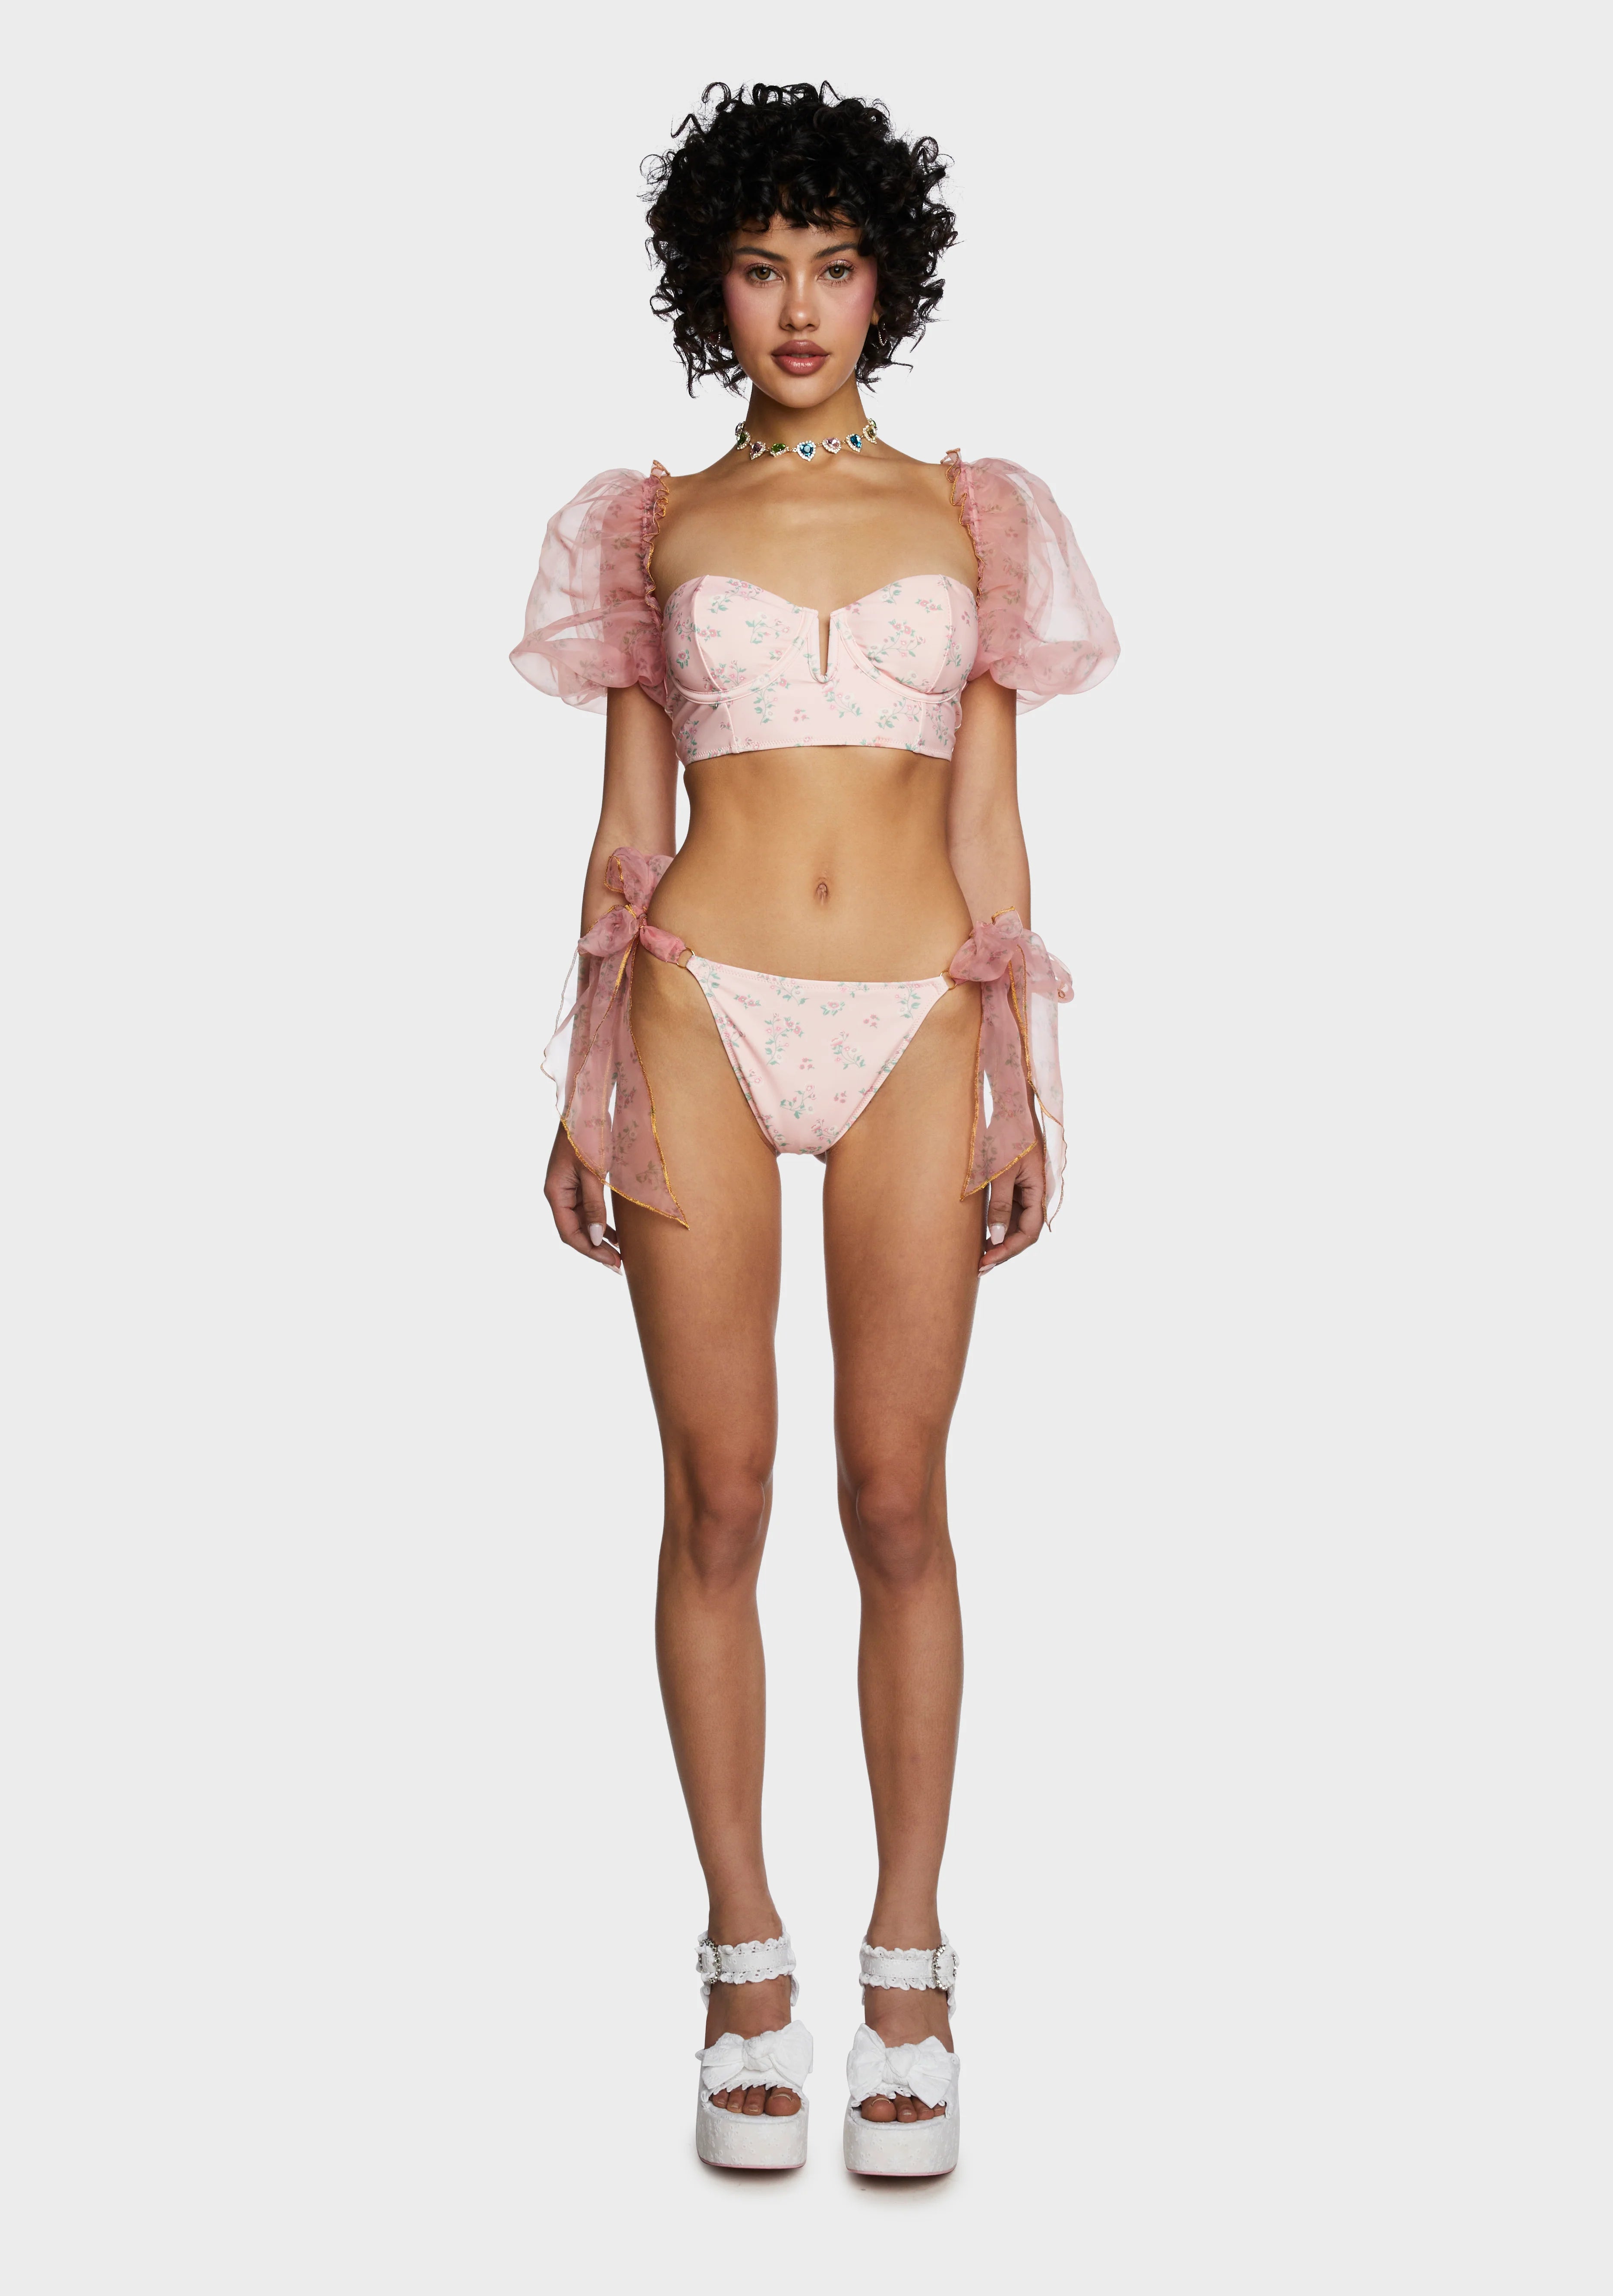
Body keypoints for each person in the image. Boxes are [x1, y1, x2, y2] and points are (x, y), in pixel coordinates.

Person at [513, 81, 1118, 2175]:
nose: (797, 306)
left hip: (916, 1017)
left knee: (891, 1495)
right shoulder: (648, 522)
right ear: (710, 282)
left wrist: (1021, 1069)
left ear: (887, 283)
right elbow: (623, 821)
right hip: (699, 995)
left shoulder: (975, 513)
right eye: (761, 266)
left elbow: (989, 820)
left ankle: (910, 1964)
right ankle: (741, 1963)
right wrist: (586, 1068)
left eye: (834, 266)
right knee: (719, 1492)